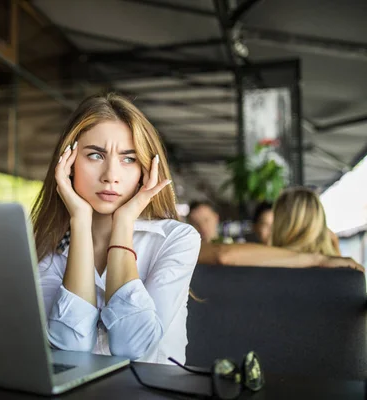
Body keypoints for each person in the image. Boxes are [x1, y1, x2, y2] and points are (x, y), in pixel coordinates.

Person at [31, 93, 201, 363]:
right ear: (69, 163)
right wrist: (80, 221)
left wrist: (123, 223)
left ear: (146, 169)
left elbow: (133, 346)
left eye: (128, 159)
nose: (111, 175)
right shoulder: (45, 246)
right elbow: (70, 349)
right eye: (95, 155)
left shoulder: (177, 239)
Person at [198, 188, 364, 272]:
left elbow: (222, 255)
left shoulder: (266, 266)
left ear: (282, 224)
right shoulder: (348, 272)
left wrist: (317, 259)